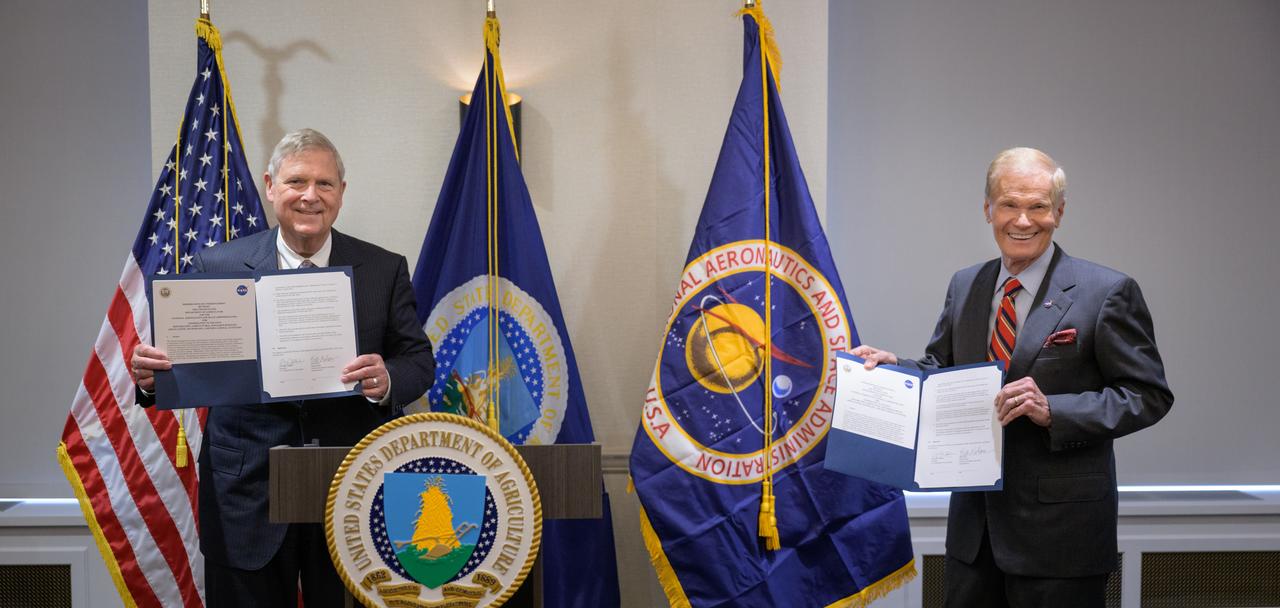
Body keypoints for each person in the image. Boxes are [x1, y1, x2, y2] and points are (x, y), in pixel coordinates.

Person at [853, 147, 1172, 607]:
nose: (1022, 220)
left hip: (1061, 539)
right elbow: (944, 373)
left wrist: (1054, 411)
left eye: (1038, 206)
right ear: (988, 210)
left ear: (1058, 213)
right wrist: (895, 370)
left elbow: (1148, 395)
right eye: (1009, 204)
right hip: (973, 535)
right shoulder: (966, 284)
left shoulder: (1107, 292)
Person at [131, 128, 435, 607]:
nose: (310, 196)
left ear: (341, 193)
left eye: (325, 184)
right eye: (296, 182)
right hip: (245, 491)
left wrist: (387, 378)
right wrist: (152, 378)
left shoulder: (383, 267)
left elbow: (418, 360)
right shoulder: (218, 264)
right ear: (271, 186)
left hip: (350, 488)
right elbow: (181, 363)